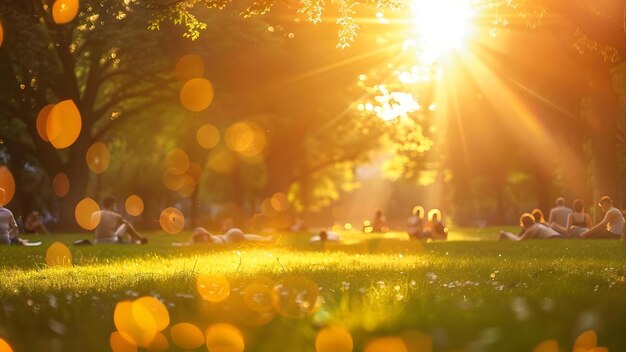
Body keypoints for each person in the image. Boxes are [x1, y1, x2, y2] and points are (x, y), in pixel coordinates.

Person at [76, 196, 147, 245]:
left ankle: (136, 240)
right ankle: (139, 239)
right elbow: (127, 226)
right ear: (112, 205)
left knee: (117, 230)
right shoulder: (116, 216)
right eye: (115, 205)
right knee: (126, 225)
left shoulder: (94, 214)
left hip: (98, 241)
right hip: (112, 240)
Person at [188, 227, 274, 244]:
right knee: (246, 237)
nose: (203, 238)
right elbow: (189, 243)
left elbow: (189, 244)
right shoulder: (210, 239)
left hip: (231, 235)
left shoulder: (211, 241)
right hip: (231, 233)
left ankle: (266, 240)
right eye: (201, 237)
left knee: (247, 238)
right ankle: (266, 239)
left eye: (203, 236)